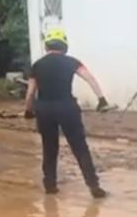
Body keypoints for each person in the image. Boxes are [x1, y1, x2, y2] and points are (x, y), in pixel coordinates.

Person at [23, 28, 110, 198]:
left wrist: (28, 111)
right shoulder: (73, 62)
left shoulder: (37, 65)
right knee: (80, 147)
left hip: (45, 109)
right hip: (67, 108)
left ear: (47, 45)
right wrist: (101, 99)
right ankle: (94, 186)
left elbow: (30, 93)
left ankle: (50, 185)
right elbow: (89, 78)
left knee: (49, 147)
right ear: (64, 45)